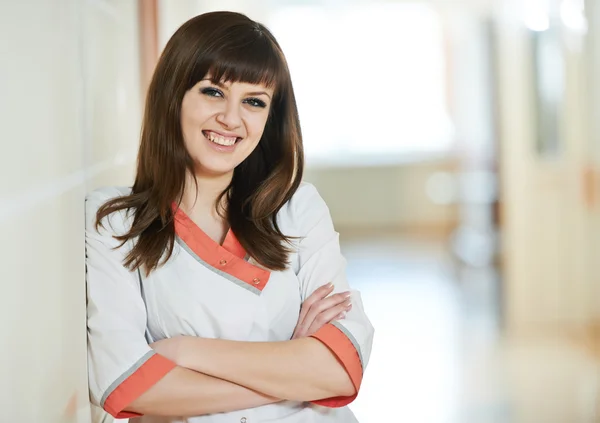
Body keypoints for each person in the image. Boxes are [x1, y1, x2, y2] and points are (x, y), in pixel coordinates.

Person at [85, 11, 374, 423]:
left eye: (254, 102)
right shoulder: (115, 222)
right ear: (174, 96)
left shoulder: (298, 210)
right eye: (213, 92)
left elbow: (341, 370)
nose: (231, 119)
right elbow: (123, 384)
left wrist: (183, 352)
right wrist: (293, 369)